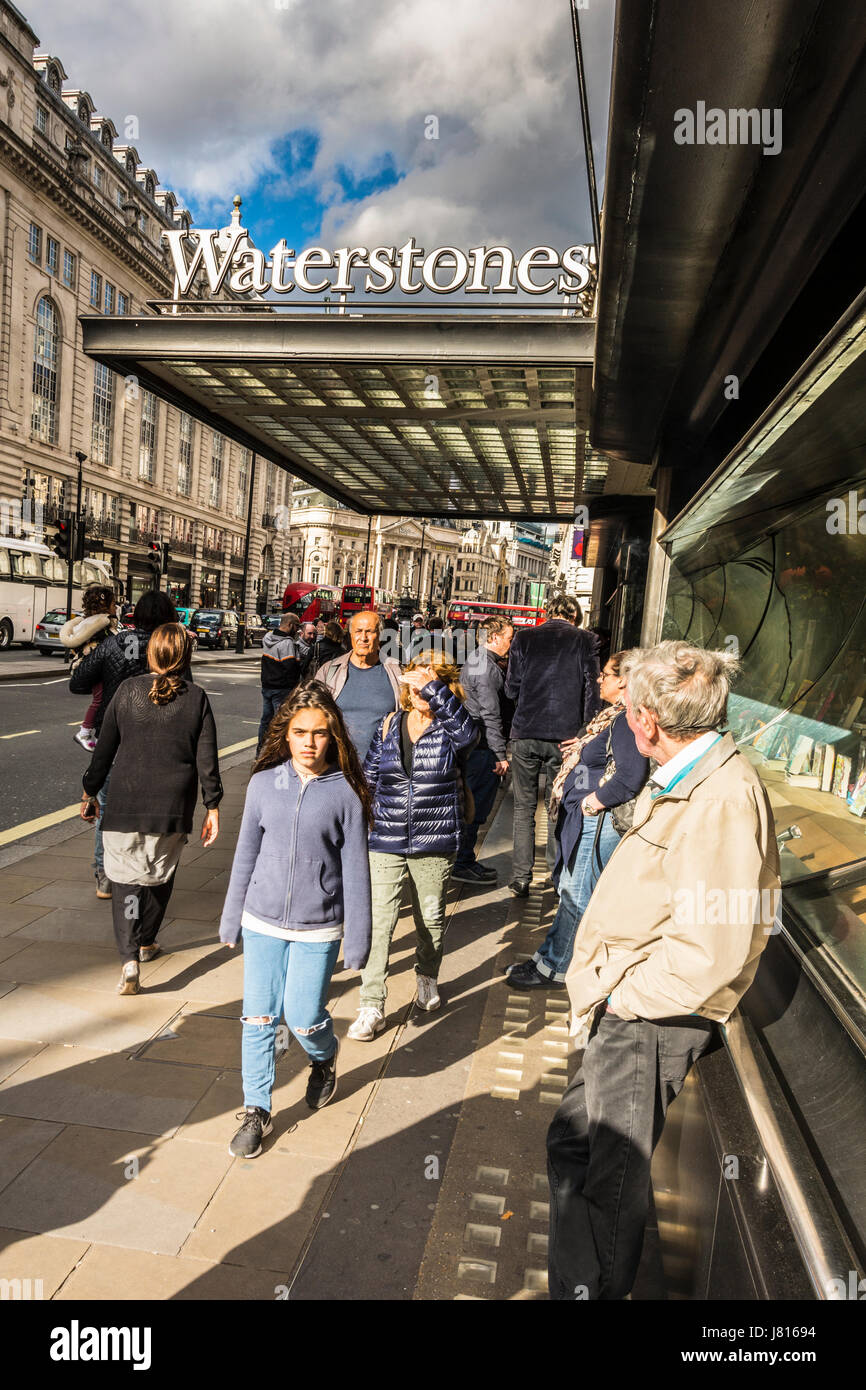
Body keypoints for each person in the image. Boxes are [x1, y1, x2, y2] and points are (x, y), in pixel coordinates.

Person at [546, 641, 781, 1301]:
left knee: (606, 1186)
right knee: (573, 1146)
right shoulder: (693, 777)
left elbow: (720, 942)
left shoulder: (723, 797)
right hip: (630, 1009)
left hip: (647, 1018)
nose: (623, 718)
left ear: (647, 721)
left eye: (627, 709)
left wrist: (626, 999)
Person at [219, 683, 373, 1159]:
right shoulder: (265, 784)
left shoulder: (346, 792)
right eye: (300, 732)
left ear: (334, 738)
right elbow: (246, 851)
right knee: (259, 1017)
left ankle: (324, 1060)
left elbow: (355, 870)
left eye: (319, 733)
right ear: (285, 734)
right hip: (261, 919)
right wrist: (231, 915)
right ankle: (256, 1110)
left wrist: (359, 937)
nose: (309, 741)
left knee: (305, 1019)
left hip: (318, 927)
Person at [79, 623, 222, 995]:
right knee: (159, 874)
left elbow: (104, 750)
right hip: (171, 806)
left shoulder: (127, 691)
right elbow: (206, 758)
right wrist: (213, 806)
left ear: (151, 653)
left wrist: (90, 791)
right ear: (185, 657)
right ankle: (146, 943)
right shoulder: (197, 697)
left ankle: (129, 959)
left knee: (126, 880)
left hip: (125, 802)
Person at [348, 652, 478, 1041]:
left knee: (430, 919)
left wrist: (431, 686)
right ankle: (371, 1004)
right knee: (381, 922)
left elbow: (469, 736)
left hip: (434, 838)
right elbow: (369, 778)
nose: (421, 689)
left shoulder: (454, 729)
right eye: (416, 681)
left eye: (433, 680)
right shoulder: (390, 723)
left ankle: (427, 976)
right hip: (386, 837)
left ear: (445, 687)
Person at [505, 651, 648, 987]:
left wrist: (592, 802)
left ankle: (554, 967)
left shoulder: (627, 719)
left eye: (606, 675)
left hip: (597, 823)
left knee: (576, 894)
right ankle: (548, 956)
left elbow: (630, 776)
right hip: (588, 821)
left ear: (623, 681)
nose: (600, 679)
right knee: (570, 888)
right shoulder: (613, 717)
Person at [70, 590, 179, 899]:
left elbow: (77, 682)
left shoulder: (115, 642)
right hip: (157, 741)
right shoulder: (170, 648)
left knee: (105, 808)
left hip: (113, 737)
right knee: (150, 809)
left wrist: (108, 682)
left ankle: (104, 877)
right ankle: (142, 874)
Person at [505, 594, 600, 897]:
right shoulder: (585, 640)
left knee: (523, 808)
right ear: (575, 616)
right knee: (558, 806)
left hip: (525, 732)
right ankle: (557, 878)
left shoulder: (524, 638)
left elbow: (511, 688)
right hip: (566, 738)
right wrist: (585, 731)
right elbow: (592, 690)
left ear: (549, 613)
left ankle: (521, 877)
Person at [452, 616, 514, 885]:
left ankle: (464, 859)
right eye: (509, 639)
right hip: (482, 745)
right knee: (476, 804)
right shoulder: (485, 669)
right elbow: (491, 714)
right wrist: (500, 755)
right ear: (495, 638)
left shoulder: (481, 661)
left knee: (473, 803)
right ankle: (462, 862)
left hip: (477, 742)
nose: (511, 645)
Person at [317, 609, 402, 761]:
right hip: (336, 769)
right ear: (350, 635)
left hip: (380, 771)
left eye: (369, 631)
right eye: (358, 631)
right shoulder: (329, 671)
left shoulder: (396, 672)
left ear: (380, 636)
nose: (363, 638)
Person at [60, 584, 120, 751]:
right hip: (96, 669)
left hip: (93, 668)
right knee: (100, 700)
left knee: (103, 699)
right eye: (113, 603)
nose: (116, 607)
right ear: (104, 605)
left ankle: (92, 732)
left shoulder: (88, 624)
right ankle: (84, 732)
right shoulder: (101, 626)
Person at [258, 611, 302, 750]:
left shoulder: (268, 637)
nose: (298, 630)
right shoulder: (288, 643)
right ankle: (275, 752)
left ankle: (260, 751)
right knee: (280, 723)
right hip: (282, 689)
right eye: (296, 626)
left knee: (265, 721)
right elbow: (290, 668)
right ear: (289, 625)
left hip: (267, 686)